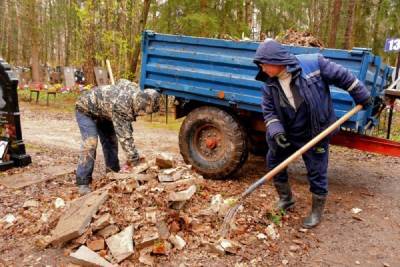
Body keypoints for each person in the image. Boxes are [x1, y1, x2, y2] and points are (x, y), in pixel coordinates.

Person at [253, 39, 371, 228]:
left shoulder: (314, 64)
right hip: (288, 132)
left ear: (276, 60)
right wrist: (276, 131)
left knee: (317, 171)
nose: (262, 69)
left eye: (264, 64)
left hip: (315, 131)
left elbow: (344, 77)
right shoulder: (269, 84)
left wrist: (362, 95)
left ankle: (316, 211)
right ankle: (286, 199)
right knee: (274, 161)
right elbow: (269, 111)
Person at [75, 79, 160, 195]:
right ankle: (83, 181)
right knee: (91, 142)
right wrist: (136, 162)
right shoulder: (122, 106)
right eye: (144, 112)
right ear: (140, 104)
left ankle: (112, 173)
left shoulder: (136, 92)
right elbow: (125, 138)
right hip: (85, 109)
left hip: (105, 111)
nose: (143, 114)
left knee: (111, 142)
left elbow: (122, 81)